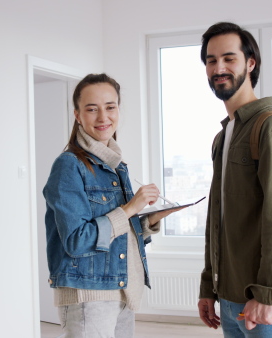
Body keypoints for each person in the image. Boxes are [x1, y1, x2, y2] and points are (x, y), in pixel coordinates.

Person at [43, 73, 181, 338]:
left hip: (121, 287)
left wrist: (150, 221)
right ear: (77, 115)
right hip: (89, 293)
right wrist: (130, 208)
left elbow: (118, 234)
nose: (103, 117)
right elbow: (76, 240)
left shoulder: (116, 165)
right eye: (91, 109)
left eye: (110, 107)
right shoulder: (69, 165)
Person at [196, 22, 272, 337]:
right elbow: (217, 220)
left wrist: (268, 293)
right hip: (230, 295)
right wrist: (209, 286)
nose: (219, 68)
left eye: (229, 58)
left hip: (266, 299)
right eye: (211, 60)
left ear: (250, 63)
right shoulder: (224, 135)